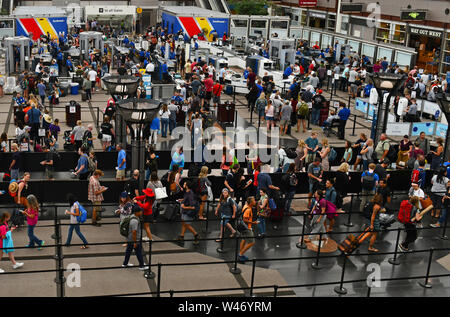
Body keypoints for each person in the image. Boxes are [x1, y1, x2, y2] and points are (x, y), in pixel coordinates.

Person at [122, 204, 148, 270]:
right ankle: (141, 266)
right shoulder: (135, 221)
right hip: (134, 239)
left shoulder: (132, 216)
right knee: (138, 252)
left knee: (128, 251)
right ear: (137, 212)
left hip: (130, 238)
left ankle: (125, 263)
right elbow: (134, 232)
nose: (141, 212)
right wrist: (135, 242)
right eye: (140, 211)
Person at [238, 196, 258, 263]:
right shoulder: (248, 209)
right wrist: (253, 222)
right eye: (254, 201)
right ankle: (240, 254)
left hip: (242, 227)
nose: (255, 201)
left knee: (244, 239)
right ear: (251, 203)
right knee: (252, 242)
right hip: (247, 228)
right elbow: (245, 219)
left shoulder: (246, 206)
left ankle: (240, 254)